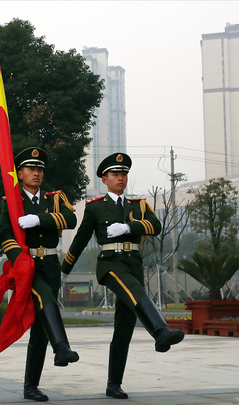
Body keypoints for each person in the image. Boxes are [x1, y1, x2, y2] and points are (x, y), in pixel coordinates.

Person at [61, 152, 184, 399]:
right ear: (104, 179)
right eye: (115, 174)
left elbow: (156, 225)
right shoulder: (95, 207)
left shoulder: (138, 205)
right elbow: (81, 240)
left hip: (133, 264)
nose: (121, 178)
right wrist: (64, 270)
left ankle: (113, 384)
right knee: (136, 292)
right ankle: (160, 331)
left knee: (124, 326)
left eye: (124, 174)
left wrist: (129, 227)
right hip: (110, 264)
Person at [0, 147, 80, 402]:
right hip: (27, 264)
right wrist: (19, 258)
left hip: (50, 263)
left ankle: (30, 386)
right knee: (46, 299)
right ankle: (63, 348)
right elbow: (3, 235)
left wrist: (39, 220)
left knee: (40, 329)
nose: (36, 173)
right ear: (19, 172)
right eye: (30, 169)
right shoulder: (11, 201)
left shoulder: (54, 198)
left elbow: (70, 219)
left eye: (39, 169)